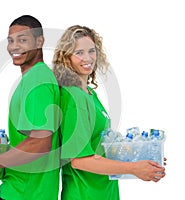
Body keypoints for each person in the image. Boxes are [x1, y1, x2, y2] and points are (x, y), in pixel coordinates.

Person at [52, 25, 166, 200]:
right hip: (85, 194)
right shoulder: (74, 98)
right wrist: (134, 168)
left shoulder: (89, 93)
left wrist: (142, 158)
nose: (88, 57)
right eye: (79, 52)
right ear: (66, 57)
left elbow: (100, 144)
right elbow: (79, 160)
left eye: (91, 51)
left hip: (104, 191)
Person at [0, 15, 61, 200]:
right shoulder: (34, 78)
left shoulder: (37, 80)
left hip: (26, 193)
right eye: (10, 40)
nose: (14, 46)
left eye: (22, 40)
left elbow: (40, 143)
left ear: (39, 41)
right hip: (26, 189)